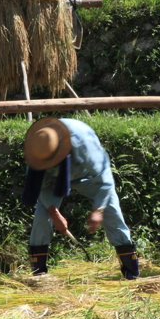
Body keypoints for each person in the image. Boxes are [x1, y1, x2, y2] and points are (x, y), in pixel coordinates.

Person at [22, 117, 139, 279]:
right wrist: (55, 213)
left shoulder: (84, 145)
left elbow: (103, 179)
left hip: (90, 177)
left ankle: (131, 275)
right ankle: (39, 277)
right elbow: (40, 186)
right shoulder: (38, 148)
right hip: (53, 180)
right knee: (42, 217)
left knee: (112, 213)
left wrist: (98, 210)